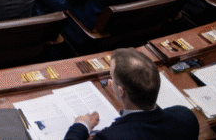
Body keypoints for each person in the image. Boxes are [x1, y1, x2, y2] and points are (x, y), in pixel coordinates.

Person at [65, 48, 199, 140]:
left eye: (112, 78)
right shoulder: (186, 117)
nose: (110, 82)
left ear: (121, 91)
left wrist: (80, 126)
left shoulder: (111, 137)